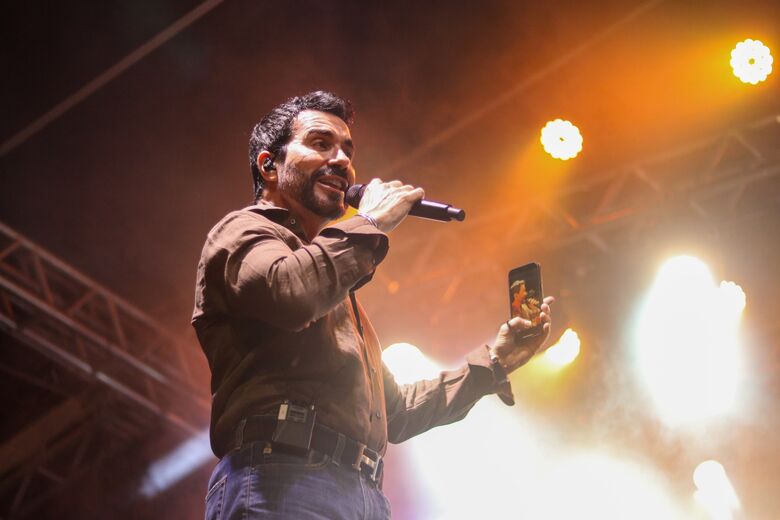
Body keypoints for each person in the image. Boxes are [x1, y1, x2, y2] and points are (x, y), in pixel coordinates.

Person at [192, 91, 554, 519]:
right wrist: (370, 223)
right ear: (269, 165)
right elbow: (290, 294)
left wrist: (495, 362)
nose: (343, 160)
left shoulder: (334, 281)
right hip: (282, 479)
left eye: (347, 149)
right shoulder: (241, 232)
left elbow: (394, 412)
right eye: (321, 143)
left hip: (362, 494)